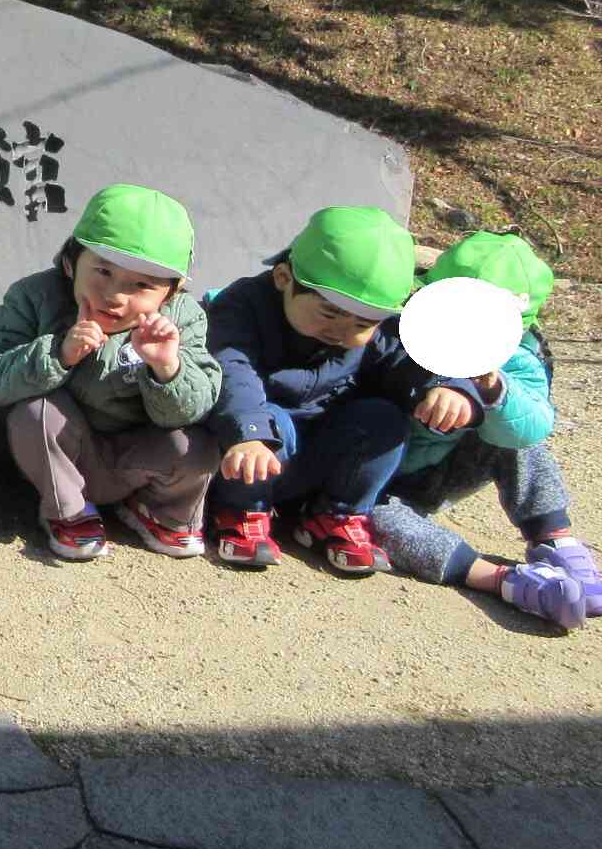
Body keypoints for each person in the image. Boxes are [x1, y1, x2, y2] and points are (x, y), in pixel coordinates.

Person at [204, 205, 485, 574]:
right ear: (284, 278)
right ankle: (240, 510)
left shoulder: (376, 333)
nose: (342, 330)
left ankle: (335, 513)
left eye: (362, 322)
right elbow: (232, 369)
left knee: (383, 419)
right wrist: (249, 432)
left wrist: (448, 386)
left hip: (320, 452)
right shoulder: (243, 306)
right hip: (253, 448)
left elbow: (408, 359)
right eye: (329, 312)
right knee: (270, 423)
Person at [0, 184, 222, 561]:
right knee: (36, 414)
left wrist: (167, 367)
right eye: (102, 271)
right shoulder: (34, 296)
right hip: (66, 453)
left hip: (136, 457)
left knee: (197, 447)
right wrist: (59, 353)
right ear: (71, 263)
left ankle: (161, 512)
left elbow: (193, 407)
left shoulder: (184, 319)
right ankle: (69, 512)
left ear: (171, 293)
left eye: (142, 285)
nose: (115, 295)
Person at [367, 232, 596, 628]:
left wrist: (491, 388)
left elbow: (533, 425)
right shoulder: (399, 329)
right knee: (376, 523)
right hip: (381, 478)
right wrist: (440, 385)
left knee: (521, 442)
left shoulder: (520, 356)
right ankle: (501, 580)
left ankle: (554, 539)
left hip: (450, 464)